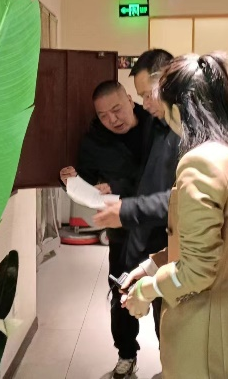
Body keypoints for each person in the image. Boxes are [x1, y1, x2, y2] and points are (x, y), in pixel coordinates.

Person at [121, 53, 228, 379]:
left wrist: (145, 291)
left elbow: (198, 270)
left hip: (209, 345)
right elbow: (223, 244)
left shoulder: (200, 163)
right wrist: (151, 265)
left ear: (179, 110)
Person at [59, 80, 154, 379]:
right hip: (121, 230)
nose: (112, 119)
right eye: (103, 115)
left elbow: (156, 177)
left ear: (130, 100)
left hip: (159, 225)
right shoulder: (94, 141)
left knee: (165, 294)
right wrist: (70, 178)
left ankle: (173, 359)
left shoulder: (154, 127)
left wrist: (117, 185)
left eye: (117, 109)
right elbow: (86, 181)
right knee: (121, 290)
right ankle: (126, 355)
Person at [93, 49, 180, 378]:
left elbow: (179, 200)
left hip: (165, 239)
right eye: (141, 96)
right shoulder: (155, 125)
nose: (145, 104)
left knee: (166, 311)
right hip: (135, 232)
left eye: (147, 94)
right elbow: (143, 177)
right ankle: (128, 356)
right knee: (123, 295)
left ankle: (172, 369)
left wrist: (128, 209)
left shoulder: (183, 132)